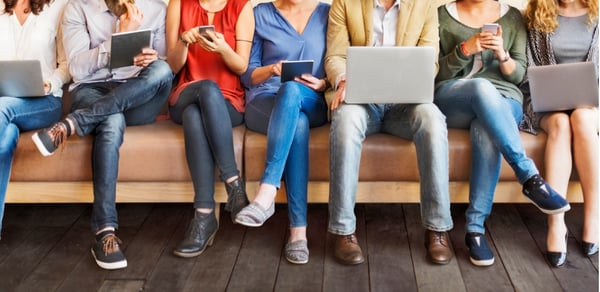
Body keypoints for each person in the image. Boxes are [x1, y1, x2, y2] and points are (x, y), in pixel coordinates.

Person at [31, 0, 173, 270]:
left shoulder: (156, 8)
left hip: (138, 95)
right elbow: (76, 69)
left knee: (163, 70)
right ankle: (105, 233)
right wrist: (118, 40)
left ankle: (73, 123)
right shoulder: (77, 8)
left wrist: (153, 58)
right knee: (111, 119)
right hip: (93, 90)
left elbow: (165, 61)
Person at [435, 0, 571, 267]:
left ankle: (475, 230)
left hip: (504, 101)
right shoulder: (442, 15)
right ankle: (529, 177)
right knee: (482, 87)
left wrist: (502, 55)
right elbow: (436, 74)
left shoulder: (513, 18)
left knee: (486, 128)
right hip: (456, 97)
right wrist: (465, 49)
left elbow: (519, 75)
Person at [325, 0, 454, 265]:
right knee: (346, 118)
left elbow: (430, 61)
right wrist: (344, 80)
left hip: (404, 103)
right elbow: (335, 56)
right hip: (361, 100)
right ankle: (343, 230)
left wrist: (412, 82)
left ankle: (437, 228)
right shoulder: (344, 3)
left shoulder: (425, 5)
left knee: (432, 118)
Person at [235, 0, 329, 265]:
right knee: (296, 122)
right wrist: (272, 69)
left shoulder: (327, 13)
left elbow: (338, 62)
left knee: (291, 92)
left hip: (310, 99)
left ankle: (266, 193)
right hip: (265, 101)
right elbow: (247, 75)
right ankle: (298, 233)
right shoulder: (260, 14)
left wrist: (323, 83)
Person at [165, 0, 254, 258]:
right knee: (205, 89)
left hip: (228, 103)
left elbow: (242, 66)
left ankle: (204, 217)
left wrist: (223, 47)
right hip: (186, 92)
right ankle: (233, 183)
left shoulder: (242, 7)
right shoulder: (179, 4)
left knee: (196, 115)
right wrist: (183, 41)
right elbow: (172, 65)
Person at [520, 0, 598, 267]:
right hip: (547, 104)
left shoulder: (598, 14)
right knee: (562, 124)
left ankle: (593, 216)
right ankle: (556, 223)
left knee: (581, 118)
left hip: (592, 105)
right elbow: (528, 71)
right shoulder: (536, 16)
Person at [0, 0, 70, 239]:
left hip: (44, 101)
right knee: (4, 138)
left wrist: (51, 83)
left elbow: (67, 64)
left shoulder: (59, 6)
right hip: (4, 103)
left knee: (2, 108)